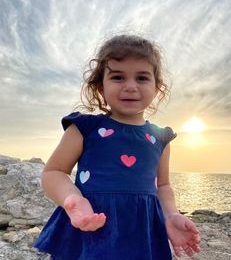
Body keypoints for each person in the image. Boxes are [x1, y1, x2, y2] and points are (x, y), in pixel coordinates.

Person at [34, 34, 201, 259]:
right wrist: (71, 199)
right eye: (118, 77)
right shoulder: (85, 128)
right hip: (91, 226)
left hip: (141, 234)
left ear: (157, 88)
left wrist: (171, 215)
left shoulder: (159, 138)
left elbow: (163, 186)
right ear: (100, 86)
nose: (130, 86)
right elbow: (54, 172)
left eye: (142, 78)